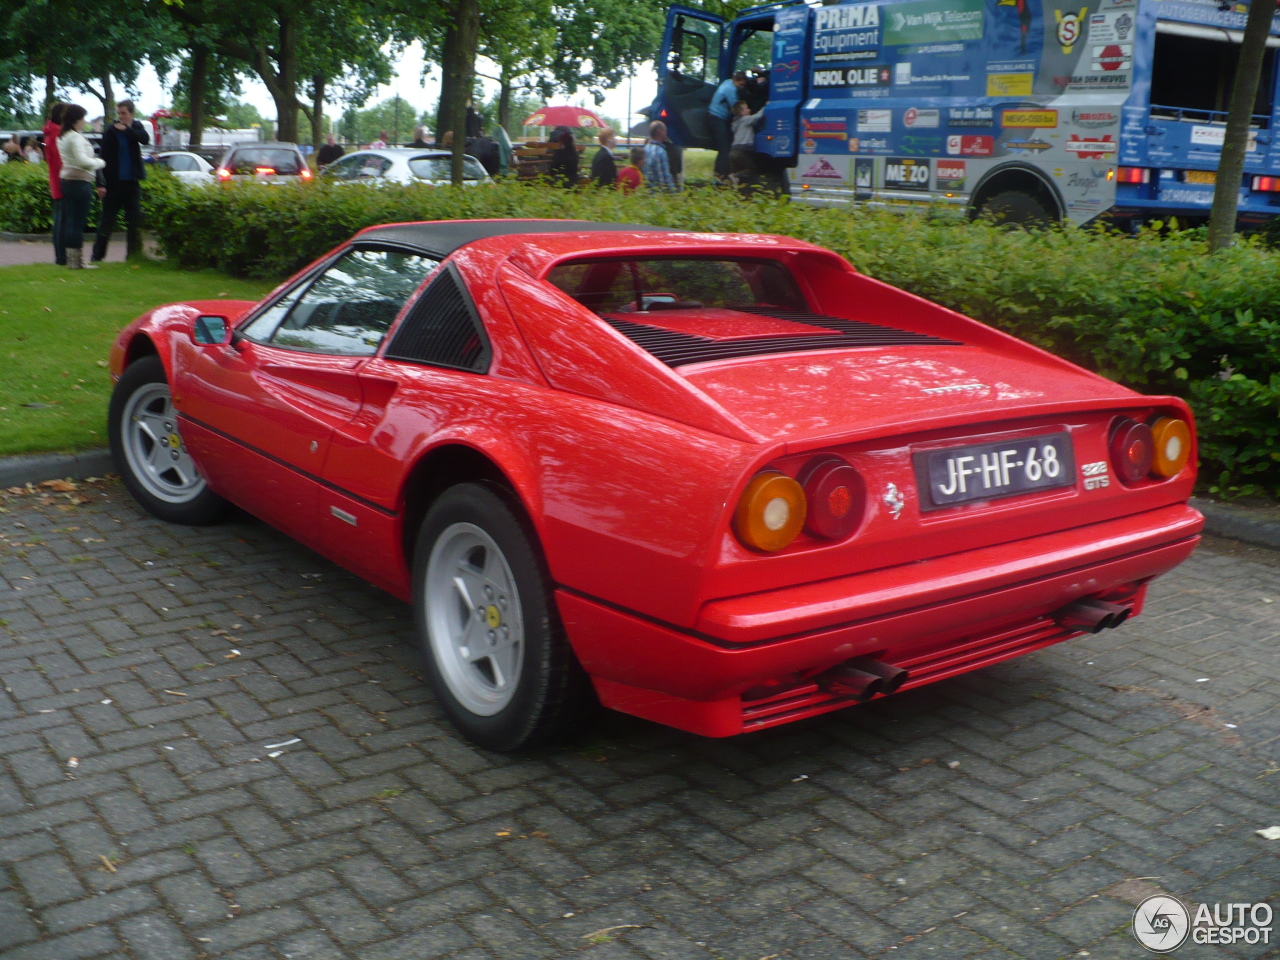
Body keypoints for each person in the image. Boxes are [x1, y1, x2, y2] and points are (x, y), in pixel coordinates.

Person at [91, 99, 150, 262]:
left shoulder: (137, 127)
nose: (121, 116)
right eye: (119, 113)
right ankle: (97, 255)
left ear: (131, 113)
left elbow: (144, 139)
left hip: (132, 182)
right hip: (114, 183)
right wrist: (100, 183)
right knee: (107, 221)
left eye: (124, 113)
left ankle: (133, 255)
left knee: (134, 220)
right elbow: (102, 158)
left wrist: (127, 129)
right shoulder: (111, 130)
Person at [57, 104, 105, 270]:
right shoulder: (75, 137)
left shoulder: (63, 136)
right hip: (80, 183)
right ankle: (77, 262)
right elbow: (82, 161)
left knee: (71, 222)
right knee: (77, 223)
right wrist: (100, 162)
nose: (85, 121)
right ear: (76, 119)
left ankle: (72, 261)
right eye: (83, 118)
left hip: (67, 181)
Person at [708, 71, 748, 179]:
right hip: (718, 118)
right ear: (737, 80)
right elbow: (736, 108)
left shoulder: (727, 82)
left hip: (714, 115)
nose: (741, 87)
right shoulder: (731, 89)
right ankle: (720, 175)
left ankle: (719, 174)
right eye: (742, 84)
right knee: (725, 148)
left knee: (724, 146)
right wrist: (746, 114)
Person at [42, 102, 67, 266]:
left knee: (59, 220)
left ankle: (60, 257)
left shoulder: (49, 132)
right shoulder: (57, 134)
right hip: (62, 180)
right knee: (62, 221)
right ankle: (61, 257)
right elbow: (60, 162)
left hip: (55, 180)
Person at [729, 100, 766, 194]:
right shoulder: (745, 119)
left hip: (733, 152)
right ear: (742, 112)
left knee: (738, 181)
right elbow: (757, 117)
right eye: (746, 108)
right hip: (741, 151)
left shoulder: (735, 123)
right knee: (751, 169)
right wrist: (765, 106)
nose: (749, 110)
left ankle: (737, 194)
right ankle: (735, 176)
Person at [643, 121, 676, 192]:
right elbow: (665, 177)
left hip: (646, 192)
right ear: (660, 131)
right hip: (658, 194)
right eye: (665, 130)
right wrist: (673, 193)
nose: (666, 133)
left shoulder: (645, 149)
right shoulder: (660, 152)